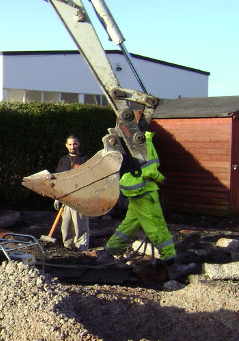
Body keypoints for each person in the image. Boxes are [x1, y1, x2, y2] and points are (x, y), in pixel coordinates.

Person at [99, 113, 195, 280]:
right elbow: (150, 169)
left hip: (135, 191)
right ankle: (173, 265)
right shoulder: (141, 142)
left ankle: (107, 253)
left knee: (128, 226)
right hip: (144, 191)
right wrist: (161, 179)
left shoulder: (133, 142)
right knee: (157, 227)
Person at [53, 135, 90, 251]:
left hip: (79, 198)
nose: (72, 146)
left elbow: (88, 179)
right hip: (65, 199)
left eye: (74, 144)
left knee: (80, 225)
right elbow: (58, 179)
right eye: (70, 144)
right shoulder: (63, 160)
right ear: (66, 146)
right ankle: (68, 247)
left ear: (78, 144)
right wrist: (57, 197)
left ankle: (82, 249)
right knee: (66, 226)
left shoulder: (84, 159)